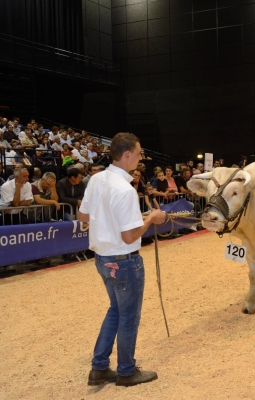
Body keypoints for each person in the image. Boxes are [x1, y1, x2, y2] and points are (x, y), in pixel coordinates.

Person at [78, 132, 166, 387]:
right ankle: (126, 370)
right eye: (138, 154)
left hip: (103, 258)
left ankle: (99, 368)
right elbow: (129, 236)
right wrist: (150, 219)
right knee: (128, 315)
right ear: (127, 155)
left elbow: (84, 216)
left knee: (115, 310)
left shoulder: (96, 180)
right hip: (125, 261)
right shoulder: (125, 190)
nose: (140, 159)